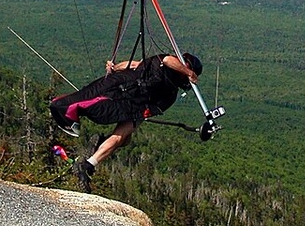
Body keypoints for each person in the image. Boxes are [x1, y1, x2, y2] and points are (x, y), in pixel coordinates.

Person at [50, 52, 202, 191]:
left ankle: (99, 147)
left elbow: (150, 105)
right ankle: (88, 165)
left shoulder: (170, 92)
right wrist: (115, 68)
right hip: (121, 95)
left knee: (124, 140)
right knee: (118, 136)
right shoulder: (163, 63)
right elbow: (163, 61)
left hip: (134, 107)